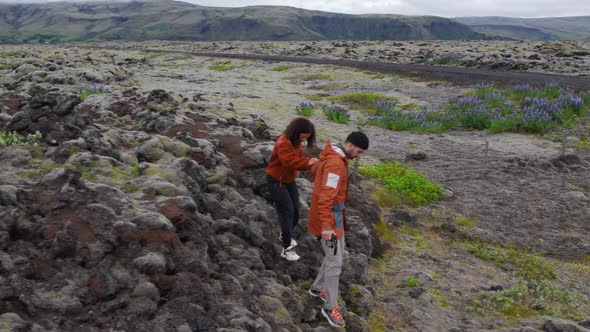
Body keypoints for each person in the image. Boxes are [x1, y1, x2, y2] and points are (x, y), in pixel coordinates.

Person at [307, 131, 369, 328]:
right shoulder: (336, 163)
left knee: (337, 254)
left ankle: (317, 288)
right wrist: (326, 226)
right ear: (349, 145)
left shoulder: (335, 156)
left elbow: (315, 169)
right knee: (335, 263)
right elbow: (326, 197)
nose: (359, 155)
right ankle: (330, 306)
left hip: (337, 217)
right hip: (330, 219)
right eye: (358, 151)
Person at [266, 117, 318, 261]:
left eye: (305, 139)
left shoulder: (296, 141)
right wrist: (309, 162)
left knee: (296, 209)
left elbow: (298, 157)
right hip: (277, 181)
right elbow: (288, 161)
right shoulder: (283, 142)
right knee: (286, 211)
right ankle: (287, 248)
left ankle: (285, 234)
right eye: (302, 137)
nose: (303, 141)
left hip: (288, 180)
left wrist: (308, 161)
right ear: (296, 132)